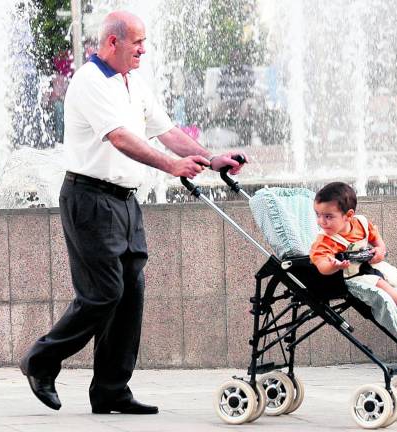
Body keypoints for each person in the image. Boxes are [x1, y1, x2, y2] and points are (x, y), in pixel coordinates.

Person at [19, 10, 246, 415]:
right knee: (103, 293)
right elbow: (120, 138)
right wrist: (171, 167)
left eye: (144, 42)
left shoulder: (132, 82)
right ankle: (41, 360)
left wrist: (211, 159)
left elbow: (168, 132)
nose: (144, 49)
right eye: (137, 42)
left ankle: (111, 388)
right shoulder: (90, 82)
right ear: (112, 43)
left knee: (130, 295)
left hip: (124, 200)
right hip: (89, 198)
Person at [309, 182, 397, 318]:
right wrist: (334, 266)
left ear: (349, 215)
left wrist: (380, 249)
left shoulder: (360, 223)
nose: (321, 222)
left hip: (366, 265)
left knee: (391, 275)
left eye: (328, 216)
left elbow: (376, 239)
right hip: (346, 277)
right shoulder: (325, 240)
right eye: (318, 215)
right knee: (378, 283)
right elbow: (321, 265)